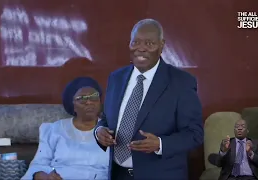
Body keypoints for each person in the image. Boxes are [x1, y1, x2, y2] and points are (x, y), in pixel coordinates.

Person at [94, 19, 203, 180]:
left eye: (149, 43)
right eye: (135, 42)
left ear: (161, 45)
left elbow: (195, 134)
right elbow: (105, 118)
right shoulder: (116, 77)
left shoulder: (182, 82)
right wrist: (99, 132)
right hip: (118, 174)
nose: (141, 48)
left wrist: (160, 144)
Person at [21, 77, 110, 180]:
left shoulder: (108, 131)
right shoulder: (53, 130)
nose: (89, 102)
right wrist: (44, 177)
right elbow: (38, 165)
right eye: (82, 98)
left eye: (94, 96)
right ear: (73, 104)